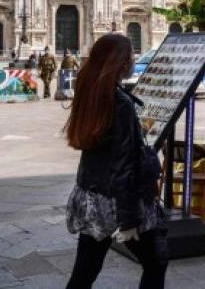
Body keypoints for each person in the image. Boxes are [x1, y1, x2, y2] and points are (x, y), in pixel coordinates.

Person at [64, 34, 167, 289]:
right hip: (117, 202)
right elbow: (123, 166)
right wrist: (129, 220)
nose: (132, 62)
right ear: (120, 63)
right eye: (130, 58)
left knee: (85, 272)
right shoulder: (118, 102)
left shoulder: (90, 93)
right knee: (156, 262)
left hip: (90, 197)